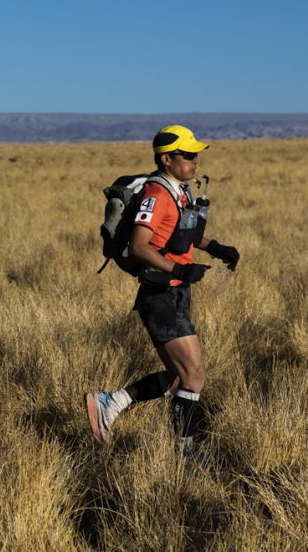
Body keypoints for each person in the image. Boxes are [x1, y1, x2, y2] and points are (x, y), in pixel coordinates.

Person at [85, 125, 240, 458]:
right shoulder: (156, 195)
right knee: (194, 375)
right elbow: (140, 246)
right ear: (166, 158)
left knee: (179, 377)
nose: (194, 160)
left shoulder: (179, 191)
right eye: (187, 154)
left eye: (196, 154)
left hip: (175, 293)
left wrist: (217, 248)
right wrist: (179, 270)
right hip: (160, 296)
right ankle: (185, 453)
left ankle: (110, 403)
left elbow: (182, 233)